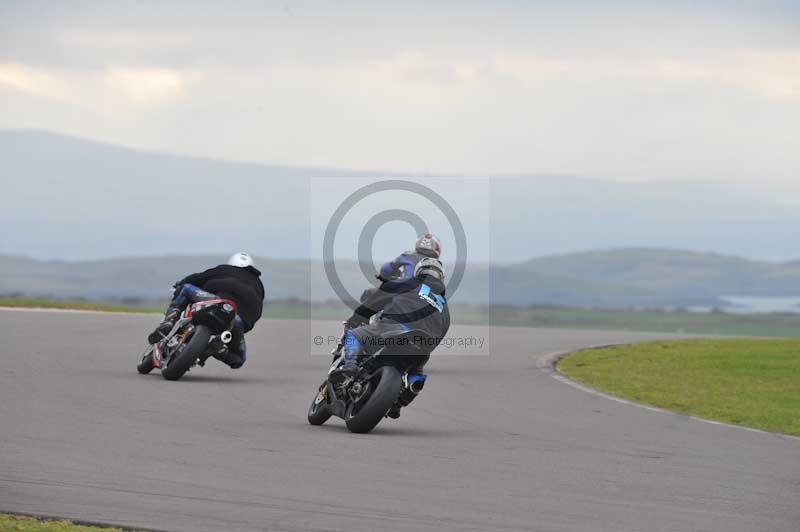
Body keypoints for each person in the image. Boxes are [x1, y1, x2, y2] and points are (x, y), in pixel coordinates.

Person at [330, 257, 450, 413]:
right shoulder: (444, 306)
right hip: (422, 344)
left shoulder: (410, 283)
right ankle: (404, 396)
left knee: (354, 335)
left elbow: (376, 300)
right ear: (441, 277)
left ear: (418, 271)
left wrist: (356, 319)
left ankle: (350, 368)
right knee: (416, 371)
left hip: (394, 327)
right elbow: (441, 334)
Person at [148, 252, 265, 369]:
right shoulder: (259, 285)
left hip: (216, 302)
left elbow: (197, 278)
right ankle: (219, 350)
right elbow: (256, 311)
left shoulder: (224, 269)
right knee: (239, 359)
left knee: (186, 288)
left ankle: (170, 320)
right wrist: (243, 326)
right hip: (237, 319)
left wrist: (179, 284)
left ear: (231, 263)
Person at [377, 233, 442, 282]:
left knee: (371, 293)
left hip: (404, 289)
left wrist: (394, 274)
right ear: (437, 248)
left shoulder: (407, 256)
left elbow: (385, 269)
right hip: (426, 295)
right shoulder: (438, 265)